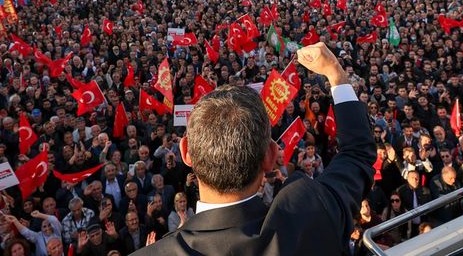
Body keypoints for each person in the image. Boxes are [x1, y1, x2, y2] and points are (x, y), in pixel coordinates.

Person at [134, 42, 376, 254]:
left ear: (185, 152)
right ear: (271, 156)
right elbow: (358, 153)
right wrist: (335, 72)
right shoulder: (310, 214)